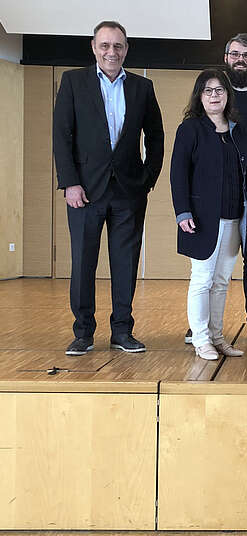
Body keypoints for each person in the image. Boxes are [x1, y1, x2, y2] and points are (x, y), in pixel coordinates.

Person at [53, 20, 164, 355]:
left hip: (129, 192)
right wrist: (70, 182)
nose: (111, 52)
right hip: (84, 192)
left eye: (117, 46)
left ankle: (122, 331)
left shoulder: (143, 88)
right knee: (83, 263)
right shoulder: (73, 82)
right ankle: (83, 332)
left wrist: (146, 180)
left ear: (126, 49)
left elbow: (156, 138)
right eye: (105, 45)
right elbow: (62, 136)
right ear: (94, 47)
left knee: (125, 264)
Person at [184, 32, 247, 345]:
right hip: (216, 198)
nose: (241, 60)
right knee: (210, 266)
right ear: (226, 58)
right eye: (235, 54)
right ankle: (200, 327)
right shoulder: (213, 98)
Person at [170, 69, 247, 360]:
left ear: (227, 94)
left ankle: (217, 336)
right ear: (199, 95)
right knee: (202, 278)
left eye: (219, 90)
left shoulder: (238, 129)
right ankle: (200, 338)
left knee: (222, 281)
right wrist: (182, 212)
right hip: (201, 219)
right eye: (207, 90)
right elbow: (178, 174)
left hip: (234, 217)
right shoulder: (190, 129)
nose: (214, 95)